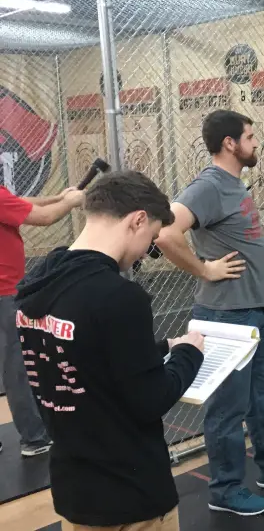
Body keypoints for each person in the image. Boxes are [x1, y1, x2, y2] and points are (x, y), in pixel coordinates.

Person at [14, 170, 205, 531]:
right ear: (137, 221)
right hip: (130, 494)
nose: (141, 256)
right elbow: (151, 399)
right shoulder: (119, 297)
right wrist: (188, 353)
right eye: (149, 239)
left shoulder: (38, 286)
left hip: (76, 490)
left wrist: (164, 346)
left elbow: (82, 353)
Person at [155, 109, 264, 517]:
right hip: (225, 315)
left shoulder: (233, 184)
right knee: (227, 408)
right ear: (230, 143)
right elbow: (165, 233)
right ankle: (225, 489)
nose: (256, 142)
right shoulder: (208, 186)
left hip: (253, 311)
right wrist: (205, 268)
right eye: (250, 136)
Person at [0, 183, 84, 458]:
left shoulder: (3, 198)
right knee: (18, 368)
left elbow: (17, 200)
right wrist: (70, 202)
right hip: (5, 294)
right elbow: (44, 218)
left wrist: (59, 196)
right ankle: (34, 438)